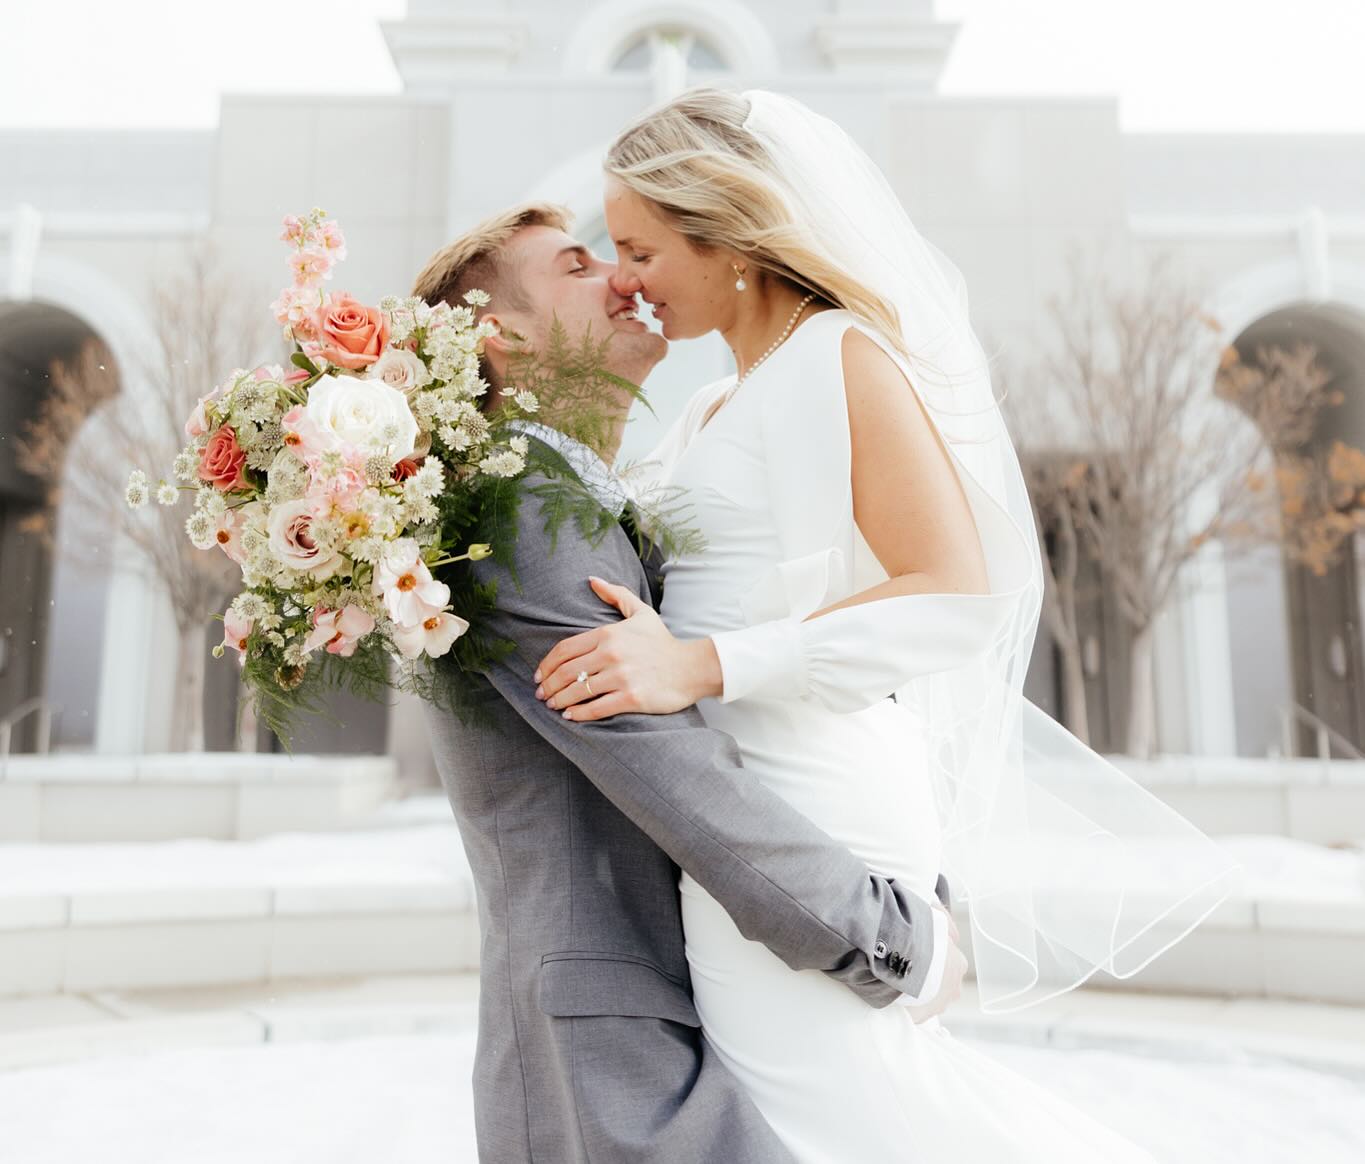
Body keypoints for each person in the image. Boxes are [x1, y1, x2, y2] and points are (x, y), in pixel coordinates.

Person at [531, 87, 1237, 1163]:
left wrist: (706, 663)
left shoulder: (840, 354)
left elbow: (951, 586)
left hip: (809, 798)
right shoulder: (719, 404)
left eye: (639, 246)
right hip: (735, 803)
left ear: (729, 238)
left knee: (834, 1117)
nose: (622, 275)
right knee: (808, 1114)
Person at [411, 203, 965, 1164]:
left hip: (696, 1006)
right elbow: (676, 774)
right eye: (579, 266)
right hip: (623, 1046)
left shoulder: (584, 497)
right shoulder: (519, 514)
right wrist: (893, 937)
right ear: (501, 336)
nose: (626, 277)